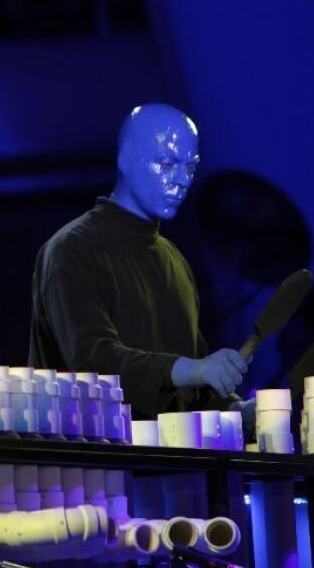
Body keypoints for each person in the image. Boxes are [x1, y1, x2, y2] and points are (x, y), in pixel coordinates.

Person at [29, 103, 248, 419]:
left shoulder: (176, 262)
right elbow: (92, 363)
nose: (181, 180)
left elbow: (191, 391)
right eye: (167, 163)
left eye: (189, 167)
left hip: (175, 464)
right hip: (96, 464)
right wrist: (188, 369)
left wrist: (238, 411)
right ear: (125, 159)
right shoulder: (72, 249)